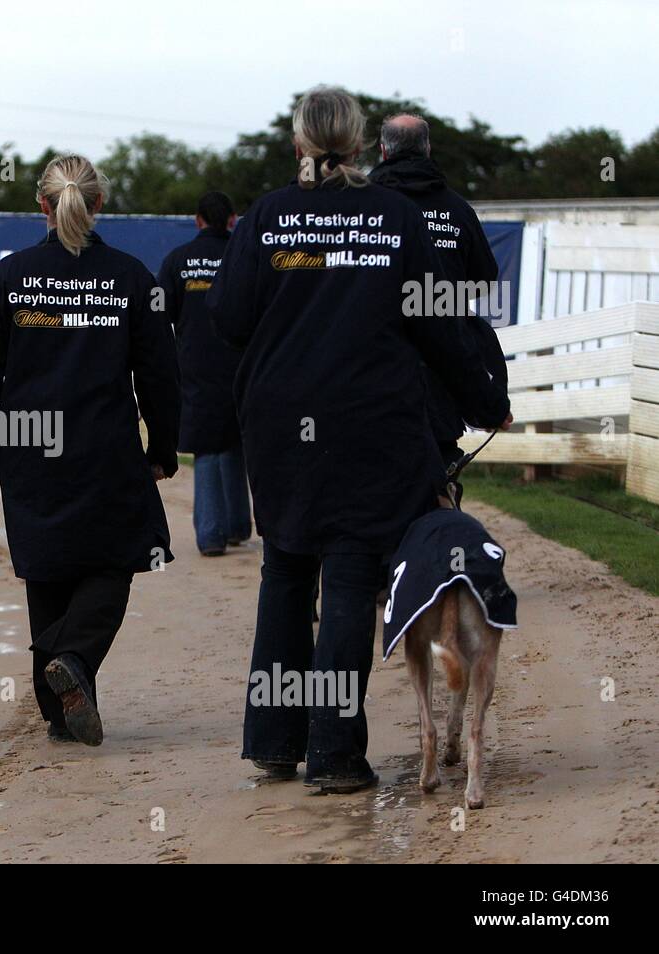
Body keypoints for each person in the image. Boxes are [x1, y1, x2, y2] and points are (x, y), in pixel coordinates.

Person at [207, 87, 510, 793]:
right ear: (360, 141)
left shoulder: (266, 219)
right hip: (370, 422)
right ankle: (335, 753)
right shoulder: (395, 219)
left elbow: (225, 317)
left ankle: (276, 742)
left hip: (280, 421)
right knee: (347, 570)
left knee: (284, 567)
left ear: (298, 144)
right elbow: (443, 326)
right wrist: (487, 401)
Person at [0, 154, 181, 746]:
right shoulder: (132, 277)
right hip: (104, 445)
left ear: (42, 205)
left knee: (47, 567)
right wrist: (163, 444)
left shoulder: (8, 277)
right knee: (118, 556)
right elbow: (159, 374)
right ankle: (75, 659)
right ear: (99, 203)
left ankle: (58, 711)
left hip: (29, 448)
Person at [370, 114, 510, 482]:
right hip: (439, 385)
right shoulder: (456, 209)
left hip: (370, 383)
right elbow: (484, 278)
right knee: (438, 487)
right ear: (428, 148)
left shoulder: (361, 206)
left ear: (383, 151)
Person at [157, 191, 250, 556]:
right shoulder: (244, 256)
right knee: (236, 441)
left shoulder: (178, 260)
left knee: (208, 446)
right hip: (242, 363)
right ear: (232, 220)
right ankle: (239, 526)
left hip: (195, 364)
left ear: (197, 221)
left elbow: (158, 313)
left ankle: (211, 534)